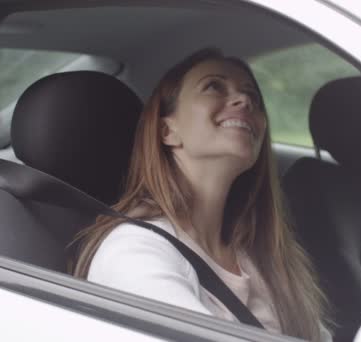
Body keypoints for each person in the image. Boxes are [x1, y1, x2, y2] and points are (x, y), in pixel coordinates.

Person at [73, 48, 332, 341]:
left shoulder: (261, 253)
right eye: (213, 86)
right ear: (167, 131)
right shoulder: (135, 250)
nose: (244, 100)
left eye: (253, 97)